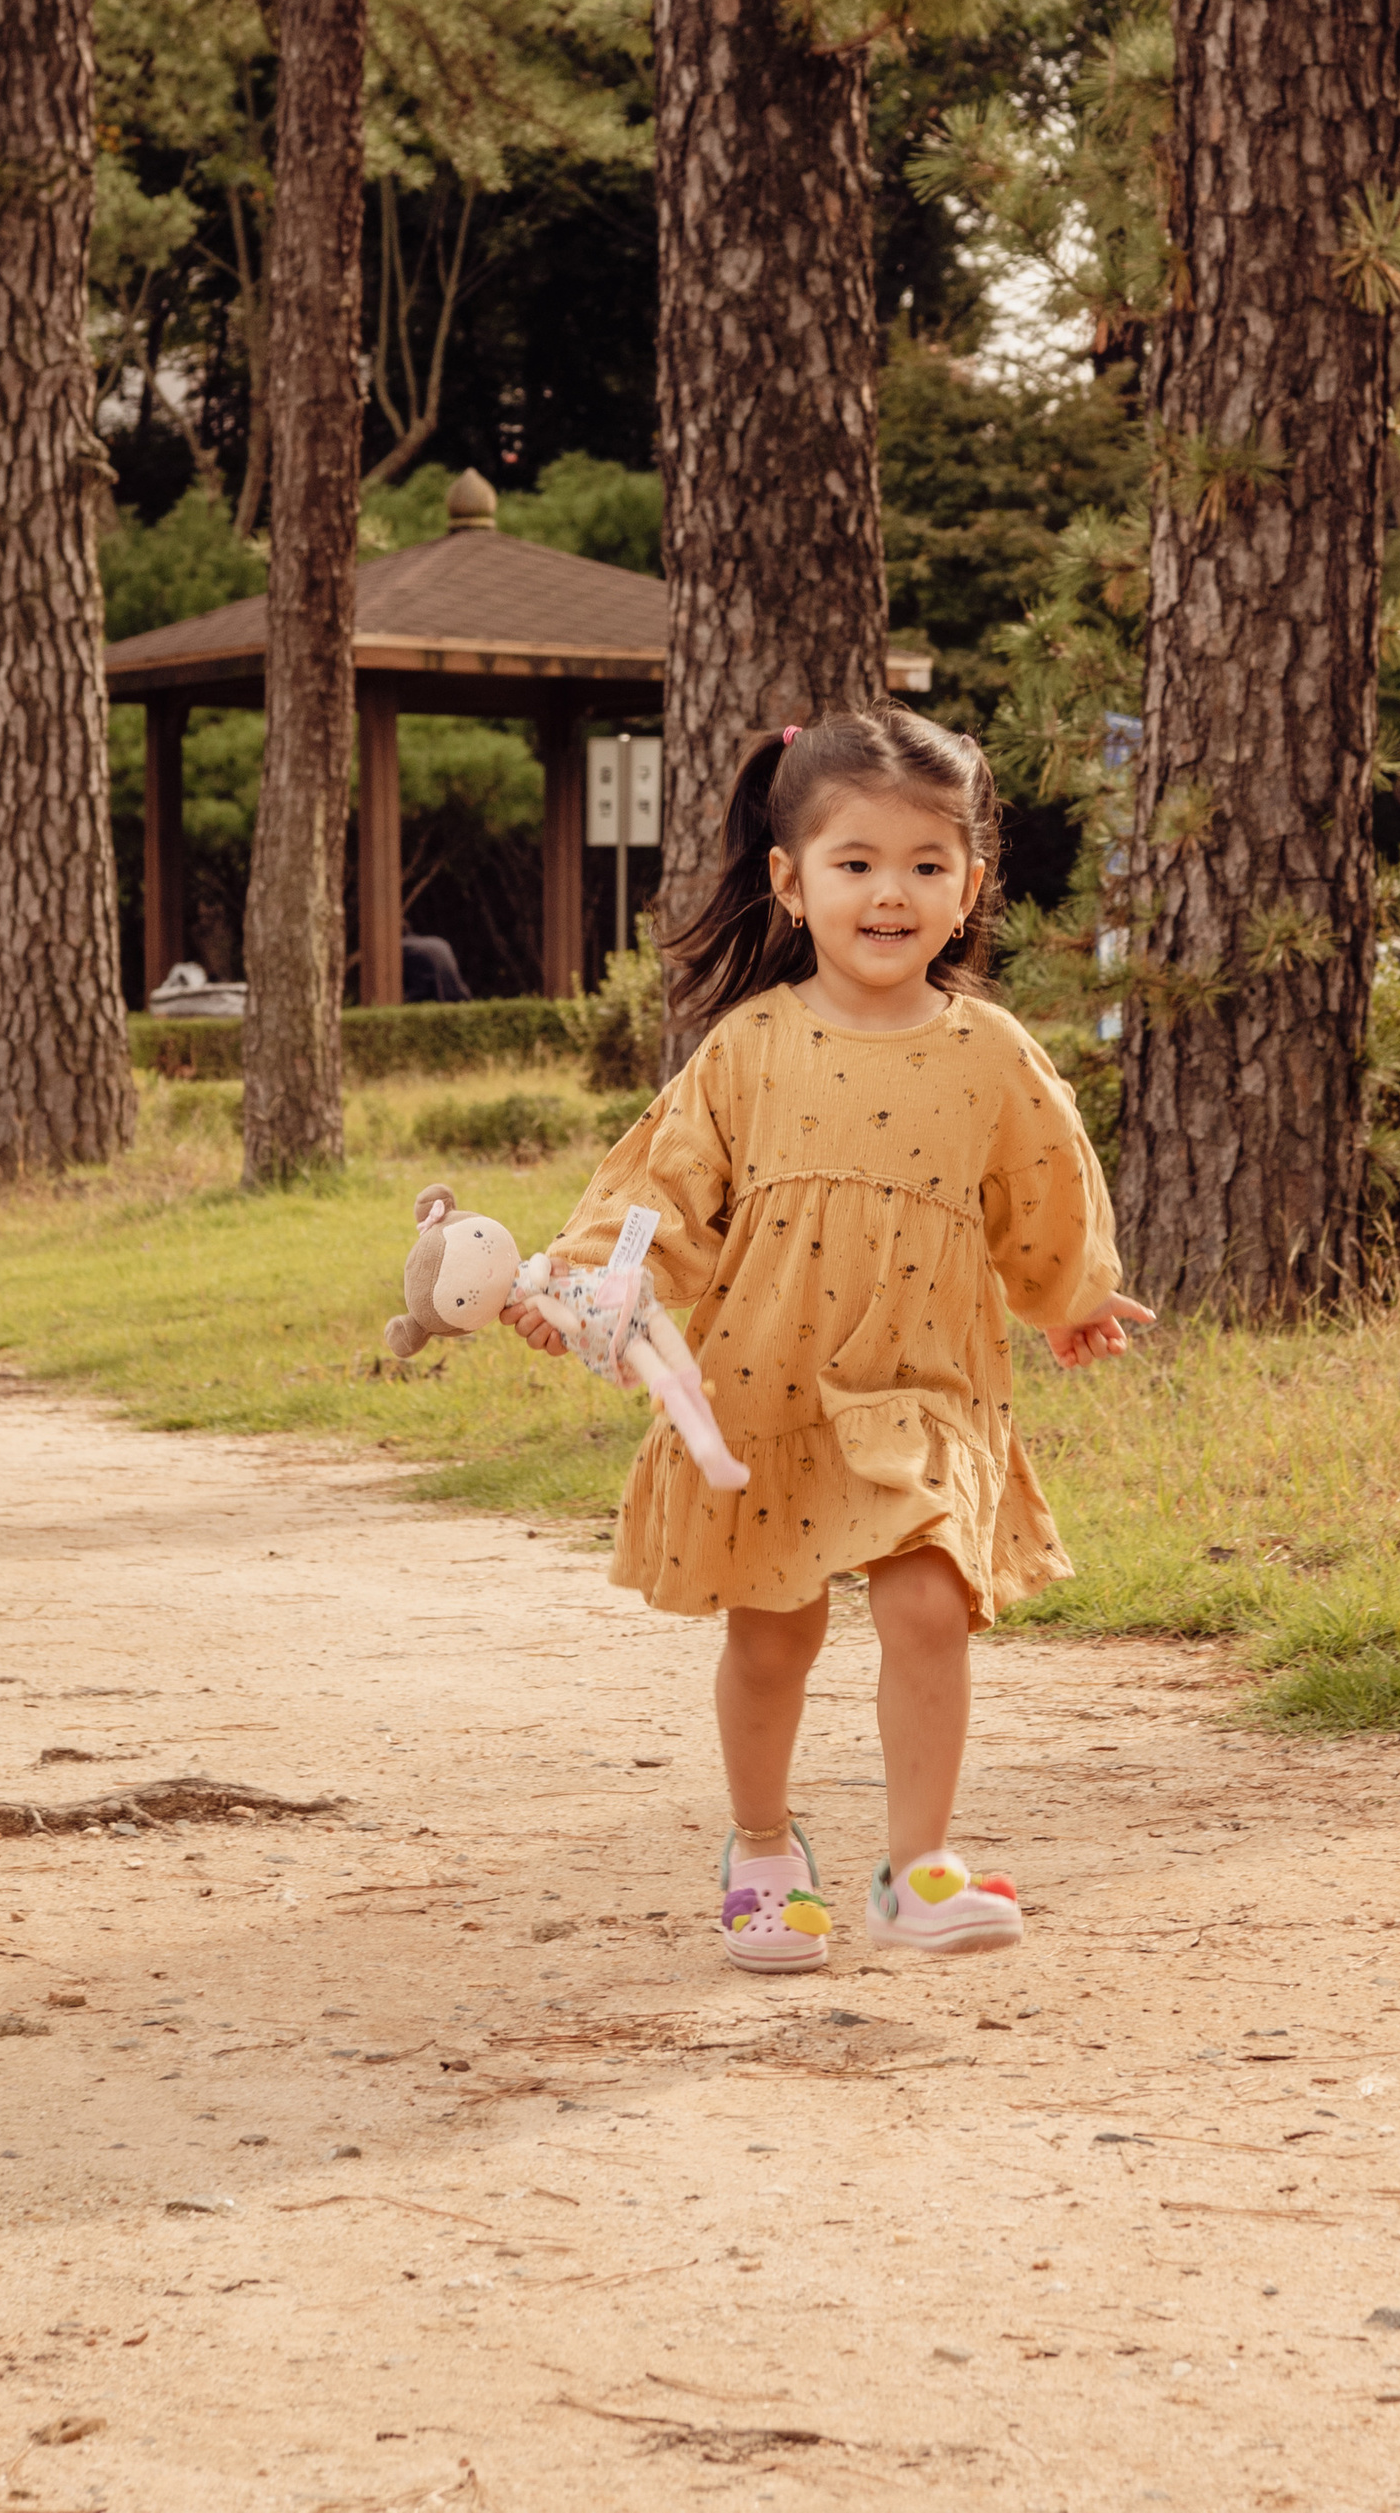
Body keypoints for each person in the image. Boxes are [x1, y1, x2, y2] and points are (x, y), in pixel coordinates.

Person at [509, 704, 1150, 1974]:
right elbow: (662, 1198)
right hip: (769, 1389)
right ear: (790, 884)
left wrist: (1070, 1297)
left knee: (927, 1608)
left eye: (924, 866)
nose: (890, 893)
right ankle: (761, 1848)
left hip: (926, 1385)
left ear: (969, 888)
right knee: (773, 1635)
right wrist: (582, 1287)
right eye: (854, 864)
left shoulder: (989, 1053)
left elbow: (1046, 1188)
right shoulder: (748, 1048)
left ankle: (916, 1870)